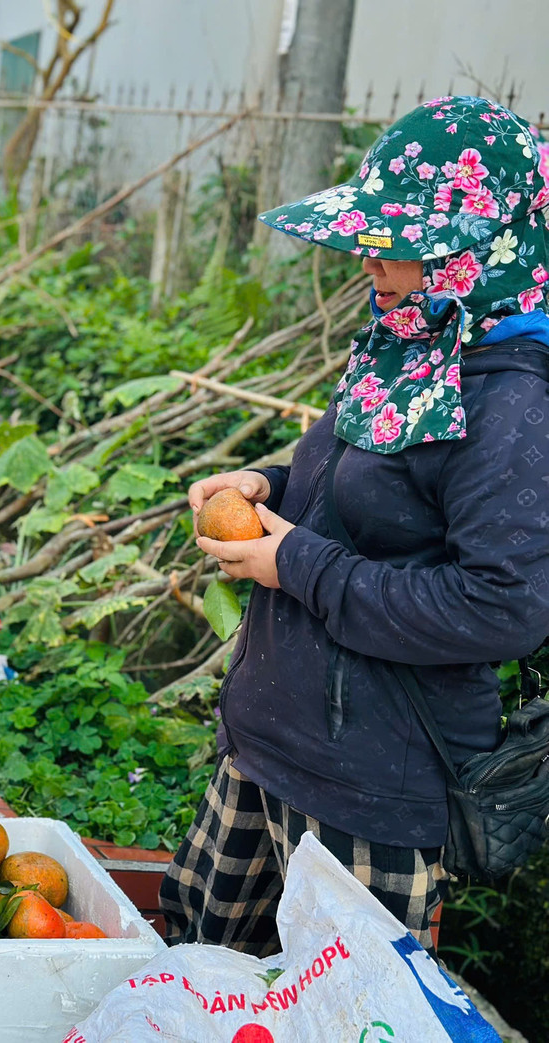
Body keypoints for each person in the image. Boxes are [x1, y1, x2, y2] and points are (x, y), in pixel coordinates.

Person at [162, 96, 549, 957]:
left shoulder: (512, 400)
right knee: (198, 964)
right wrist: (267, 482)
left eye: (400, 239)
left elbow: (502, 608)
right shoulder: (408, 342)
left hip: (369, 788)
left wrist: (296, 562)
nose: (371, 255)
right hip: (266, 743)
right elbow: (363, 485)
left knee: (343, 1006)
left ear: (475, 248)